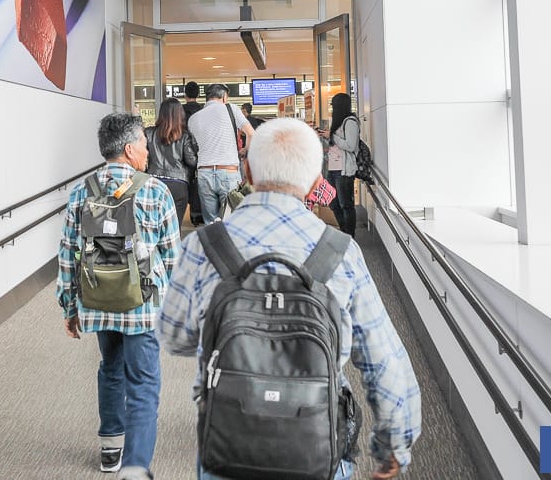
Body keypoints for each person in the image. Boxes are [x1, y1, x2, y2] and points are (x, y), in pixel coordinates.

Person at [157, 118, 421, 480]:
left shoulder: (203, 245)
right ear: (316, 183)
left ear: (247, 171)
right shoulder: (340, 252)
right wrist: (393, 444)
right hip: (318, 445)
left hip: (227, 444)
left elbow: (175, 336)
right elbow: (383, 359)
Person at [56, 112, 181, 480]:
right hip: (142, 305)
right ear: (129, 149)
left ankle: (111, 450)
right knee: (143, 383)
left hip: (97, 301)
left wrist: (70, 305)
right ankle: (136, 466)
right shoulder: (155, 190)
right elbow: (172, 257)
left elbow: (68, 252)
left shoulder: (82, 191)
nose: (146, 149)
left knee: (111, 370)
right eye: (143, 142)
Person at [186, 83, 255, 223]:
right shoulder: (231, 109)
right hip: (228, 172)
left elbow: (193, 147)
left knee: (211, 223)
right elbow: (251, 133)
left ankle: (213, 243)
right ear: (224, 97)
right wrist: (245, 150)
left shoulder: (193, 119)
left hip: (204, 173)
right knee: (232, 219)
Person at [145, 98, 198, 222]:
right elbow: (192, 161)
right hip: (178, 185)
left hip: (153, 183)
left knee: (153, 224)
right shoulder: (185, 136)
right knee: (174, 226)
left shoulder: (148, 133)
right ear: (180, 114)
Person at [322, 92, 359, 237]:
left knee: (346, 205)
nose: (332, 109)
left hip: (344, 171)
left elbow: (350, 145)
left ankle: (349, 235)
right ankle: (344, 232)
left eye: (333, 106)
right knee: (333, 203)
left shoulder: (350, 122)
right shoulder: (339, 122)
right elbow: (338, 146)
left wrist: (332, 136)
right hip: (332, 169)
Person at [182, 81, 205, 225]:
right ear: (198, 94)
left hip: (184, 150)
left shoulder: (180, 110)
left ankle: (191, 211)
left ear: (185, 95)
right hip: (202, 151)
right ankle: (198, 213)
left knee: (187, 181)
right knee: (200, 182)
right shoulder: (203, 110)